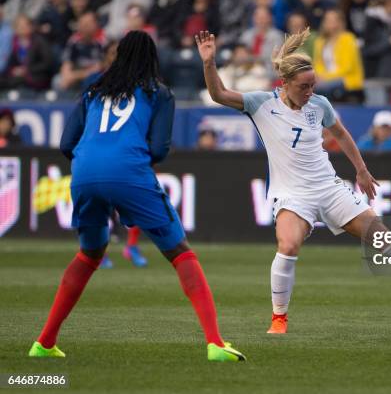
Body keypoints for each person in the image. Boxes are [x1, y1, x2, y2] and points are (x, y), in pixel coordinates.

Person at [195, 28, 391, 335]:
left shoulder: (320, 104)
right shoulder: (261, 103)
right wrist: (209, 62)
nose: (310, 91)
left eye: (313, 85)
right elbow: (218, 94)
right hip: (291, 194)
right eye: (304, 86)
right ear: (285, 83)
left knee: (381, 237)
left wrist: (361, 170)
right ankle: (279, 319)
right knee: (288, 245)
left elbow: (341, 134)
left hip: (329, 189)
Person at [28, 31, 245, 362]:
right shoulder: (159, 93)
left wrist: (95, 167)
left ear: (117, 56)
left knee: (89, 254)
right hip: (129, 171)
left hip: (84, 171)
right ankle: (215, 343)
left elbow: (65, 145)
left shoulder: (93, 91)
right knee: (181, 253)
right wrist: (127, 170)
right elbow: (158, 148)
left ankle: (43, 343)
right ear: (152, 59)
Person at [313, 9, 364, 102]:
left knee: (319, 88)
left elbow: (347, 67)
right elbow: (318, 64)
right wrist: (320, 76)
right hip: (326, 79)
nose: (331, 23)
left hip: (346, 79)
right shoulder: (320, 41)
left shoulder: (348, 38)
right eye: (328, 20)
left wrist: (326, 77)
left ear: (340, 22)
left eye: (334, 20)